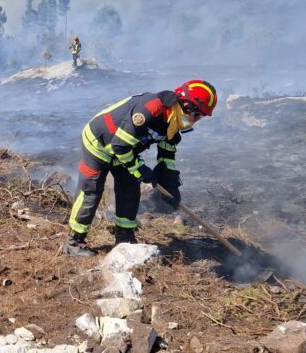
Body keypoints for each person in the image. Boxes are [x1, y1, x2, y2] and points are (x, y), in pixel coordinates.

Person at [63, 80, 217, 257]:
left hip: (124, 149)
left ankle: (125, 239)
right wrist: (140, 169)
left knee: (130, 189)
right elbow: (119, 146)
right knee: (91, 190)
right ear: (188, 105)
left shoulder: (173, 121)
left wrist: (170, 184)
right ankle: (74, 241)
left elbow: (167, 155)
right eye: (198, 115)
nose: (196, 120)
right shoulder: (151, 109)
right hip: (98, 143)